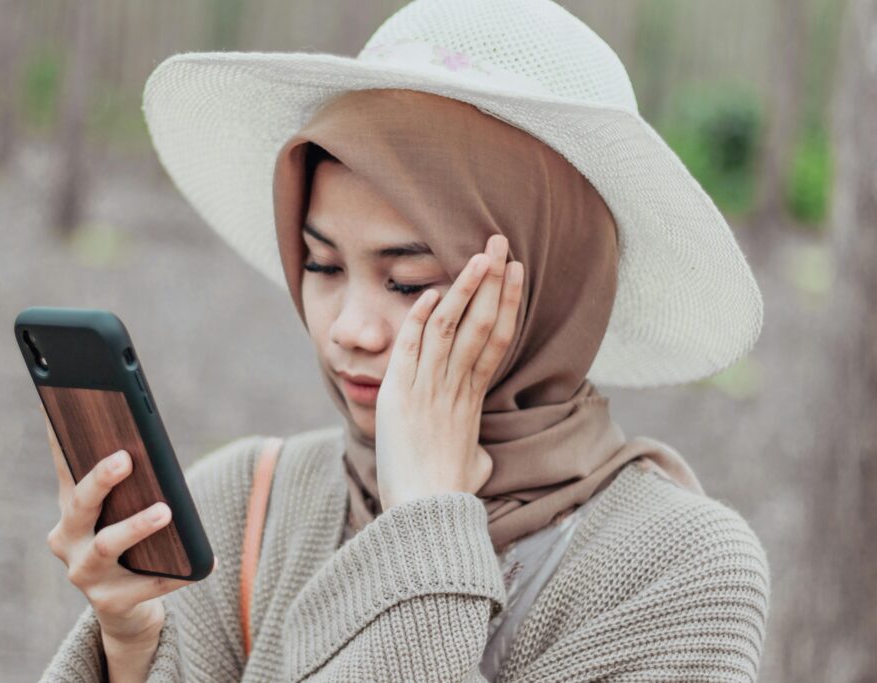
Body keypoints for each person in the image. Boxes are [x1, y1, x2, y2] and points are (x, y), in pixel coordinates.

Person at [39, 1, 770, 681]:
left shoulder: (682, 571)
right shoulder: (241, 501)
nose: (348, 328)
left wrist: (424, 519)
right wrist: (132, 641)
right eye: (321, 264)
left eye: (412, 281)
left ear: (552, 280)